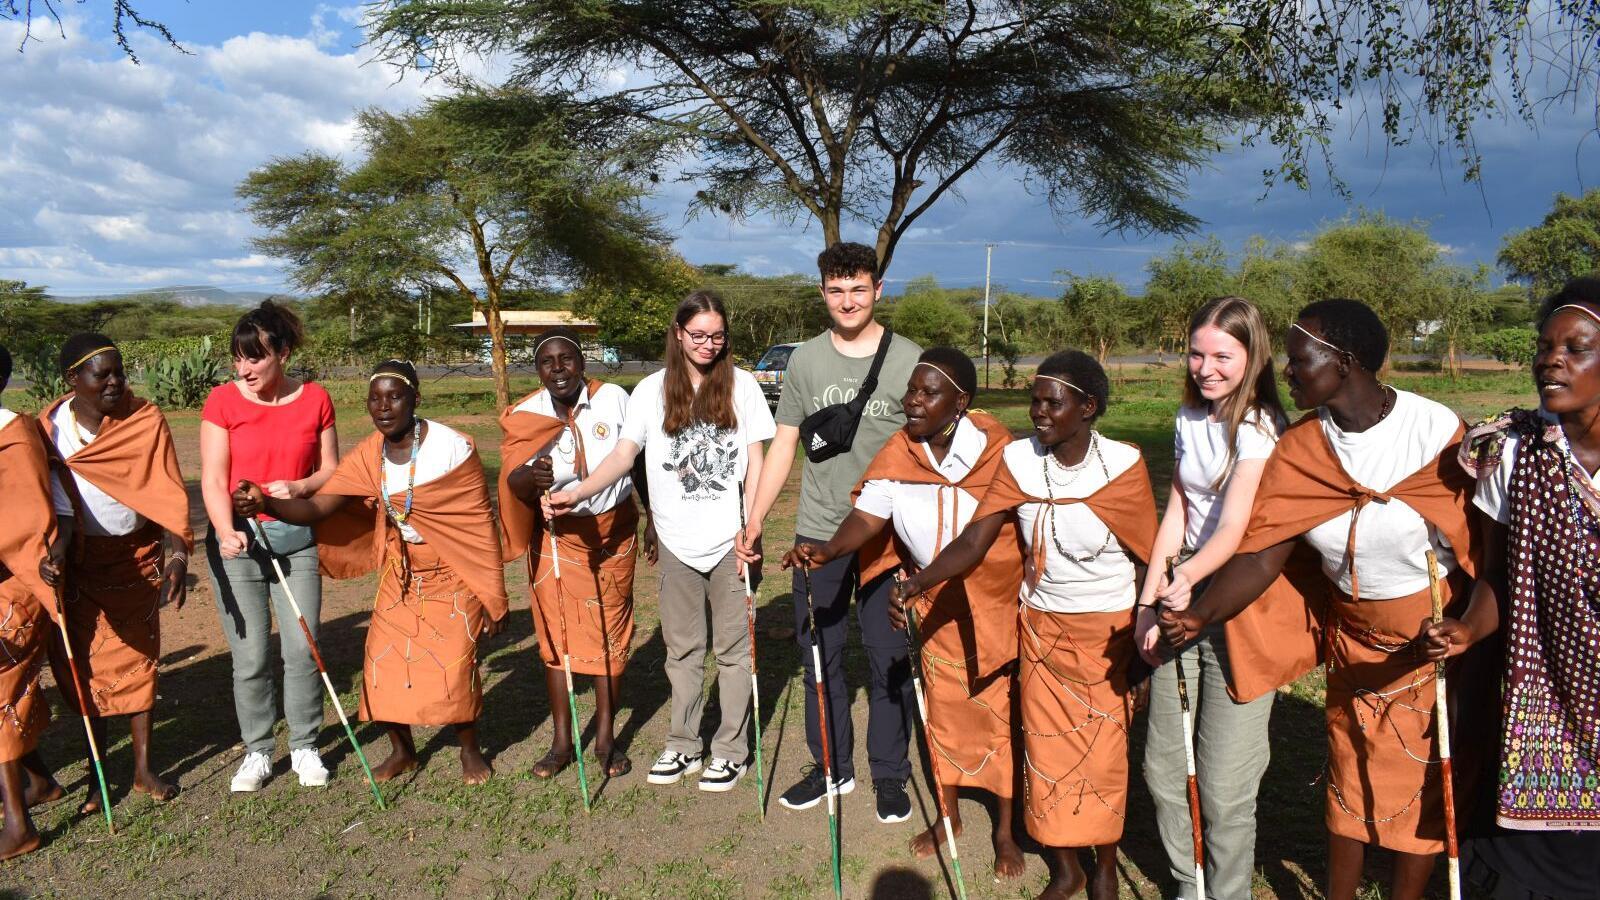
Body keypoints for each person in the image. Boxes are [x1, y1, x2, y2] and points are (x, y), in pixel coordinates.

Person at [1158, 299, 1481, 900]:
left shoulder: (1432, 432)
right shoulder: (1302, 449)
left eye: (1299, 360)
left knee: (1421, 781)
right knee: (1348, 776)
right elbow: (1262, 554)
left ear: (1345, 362)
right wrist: (1200, 612)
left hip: (1429, 637)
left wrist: (1463, 627)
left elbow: (1477, 543)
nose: (1286, 371)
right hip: (1352, 639)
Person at [893, 351, 1158, 900]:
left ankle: (1103, 869)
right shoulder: (1018, 460)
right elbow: (973, 540)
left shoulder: (1123, 465)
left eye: (1050, 402)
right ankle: (1067, 871)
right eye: (1034, 400)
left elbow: (1147, 557)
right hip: (1040, 629)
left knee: (1103, 760)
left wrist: (1145, 634)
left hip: (1107, 635)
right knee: (1045, 752)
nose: (1037, 411)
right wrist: (917, 585)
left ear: (1087, 407)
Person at [782, 347, 1029, 878]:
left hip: (990, 599)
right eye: (911, 390)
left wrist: (916, 582)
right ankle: (950, 813)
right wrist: (827, 550)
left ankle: (1007, 830)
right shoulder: (901, 449)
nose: (911, 400)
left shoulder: (996, 451)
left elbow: (980, 540)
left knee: (996, 714)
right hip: (930, 600)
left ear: (960, 402)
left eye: (926, 393)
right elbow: (870, 514)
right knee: (940, 712)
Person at [232, 360, 508, 784]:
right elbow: (317, 507)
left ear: (415, 398)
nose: (383, 406)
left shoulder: (453, 448)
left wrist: (491, 594)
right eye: (375, 399)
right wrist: (267, 504)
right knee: (380, 663)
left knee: (454, 665)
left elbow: (479, 530)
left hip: (455, 571)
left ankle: (470, 751)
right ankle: (403, 752)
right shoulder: (369, 455)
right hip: (403, 571)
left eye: (394, 396)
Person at [550, 292, 774, 792]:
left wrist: (753, 523)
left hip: (731, 540)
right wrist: (580, 491)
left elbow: (757, 460)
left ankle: (731, 751)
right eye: (698, 335)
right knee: (683, 649)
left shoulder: (743, 387)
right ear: (678, 334)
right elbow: (624, 455)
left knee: (735, 651)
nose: (708, 345)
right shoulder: (651, 390)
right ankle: (684, 744)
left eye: (717, 336)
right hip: (675, 539)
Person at [1422, 276, 1600, 899]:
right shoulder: (1515, 455)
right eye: (1545, 346)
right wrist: (1467, 628)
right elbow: (1497, 574)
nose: (1552, 359)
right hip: (1548, 677)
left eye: (1576, 347)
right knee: (1541, 855)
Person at [740, 241, 924, 823]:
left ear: (878, 290)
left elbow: (928, 454)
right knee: (819, 655)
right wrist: (755, 517)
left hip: (886, 539)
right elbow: (785, 444)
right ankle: (829, 767)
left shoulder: (908, 359)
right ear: (823, 293)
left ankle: (890, 775)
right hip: (817, 534)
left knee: (887, 657)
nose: (848, 300)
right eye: (837, 291)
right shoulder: (806, 361)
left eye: (859, 289)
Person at [1134, 297, 1288, 899]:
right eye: (1196, 353)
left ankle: (1227, 893)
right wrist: (1149, 600)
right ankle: (1186, 884)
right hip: (1180, 599)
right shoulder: (1188, 417)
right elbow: (1178, 509)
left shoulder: (1259, 427)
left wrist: (1188, 578)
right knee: (1165, 770)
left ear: (1252, 356)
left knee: (1224, 784)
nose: (1206, 367)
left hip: (1237, 612)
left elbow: (1233, 527)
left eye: (1222, 355)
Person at [38, 334, 192, 811]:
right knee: (81, 672)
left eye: (118, 372)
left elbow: (167, 491)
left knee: (141, 660)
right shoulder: (49, 431)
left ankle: (144, 770)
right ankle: (97, 776)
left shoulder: (144, 420)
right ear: (72, 381)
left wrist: (178, 556)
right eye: (100, 374)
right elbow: (57, 509)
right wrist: (55, 556)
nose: (114, 382)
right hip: (81, 565)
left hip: (137, 558)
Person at [200, 301, 340, 793]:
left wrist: (299, 489)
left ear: (282, 353)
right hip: (237, 544)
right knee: (252, 655)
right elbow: (214, 479)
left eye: (255, 357)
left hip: (295, 540)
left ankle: (304, 745)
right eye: (239, 358)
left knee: (304, 647)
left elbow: (329, 470)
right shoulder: (222, 401)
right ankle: (258, 751)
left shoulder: (316, 399)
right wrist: (224, 530)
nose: (245, 369)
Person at [499, 326, 642, 779]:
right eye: (547, 361)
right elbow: (511, 483)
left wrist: (653, 518)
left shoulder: (615, 399)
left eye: (567, 359)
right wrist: (531, 480)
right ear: (537, 369)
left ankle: (605, 738)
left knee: (609, 632)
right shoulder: (525, 415)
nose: (558, 369)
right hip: (556, 538)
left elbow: (635, 459)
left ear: (582, 363)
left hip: (614, 532)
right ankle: (562, 742)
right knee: (556, 636)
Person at [0, 344, 62, 859]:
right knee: (9, 689)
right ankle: (39, 782)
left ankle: (19, 826)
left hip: (15, 585)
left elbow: (30, 526)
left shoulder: (13, 439)